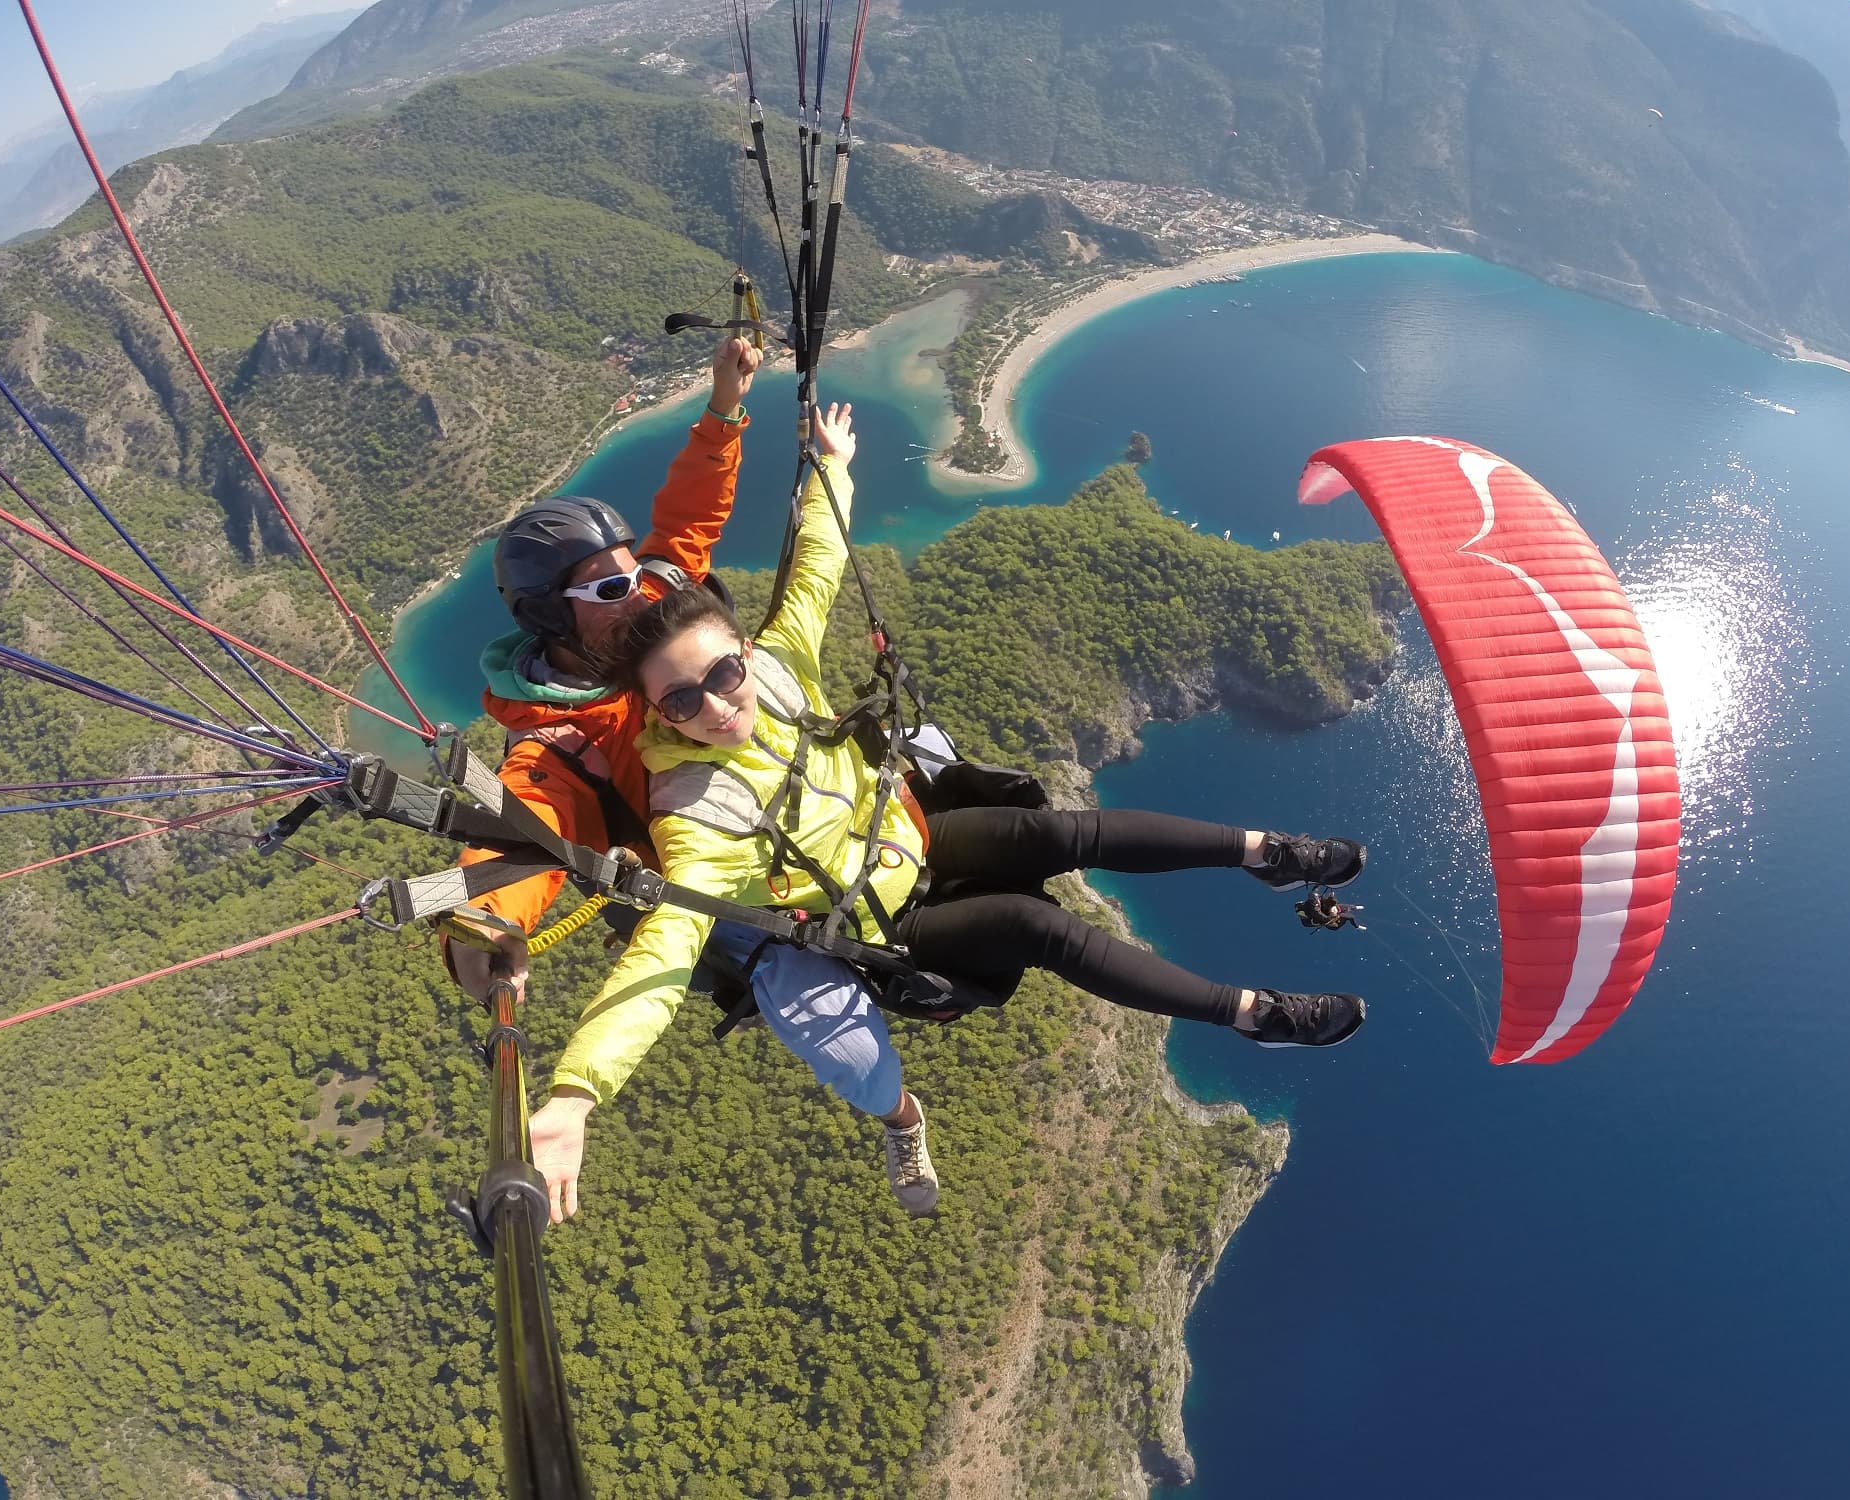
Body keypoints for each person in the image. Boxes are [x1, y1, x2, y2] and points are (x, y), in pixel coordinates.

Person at [524, 402, 1369, 1220]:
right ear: (655, 716)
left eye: (721, 676)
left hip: (909, 835)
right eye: (679, 703)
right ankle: (1255, 1016)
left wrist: (834, 470)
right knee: (1046, 933)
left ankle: (1267, 852)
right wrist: (575, 1094)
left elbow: (818, 561)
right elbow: (662, 960)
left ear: (745, 653)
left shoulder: (777, 667)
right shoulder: (692, 811)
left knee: (1064, 834)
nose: (714, 707)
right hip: (880, 921)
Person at [444, 342, 939, 1216]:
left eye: (630, 575)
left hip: (796, 789)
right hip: (723, 878)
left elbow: (688, 522)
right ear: (552, 620)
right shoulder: (561, 737)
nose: (636, 595)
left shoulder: (648, 605)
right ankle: (900, 1117)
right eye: (605, 593)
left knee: (967, 781)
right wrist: (481, 928)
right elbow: (522, 830)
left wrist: (722, 410)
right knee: (841, 1046)